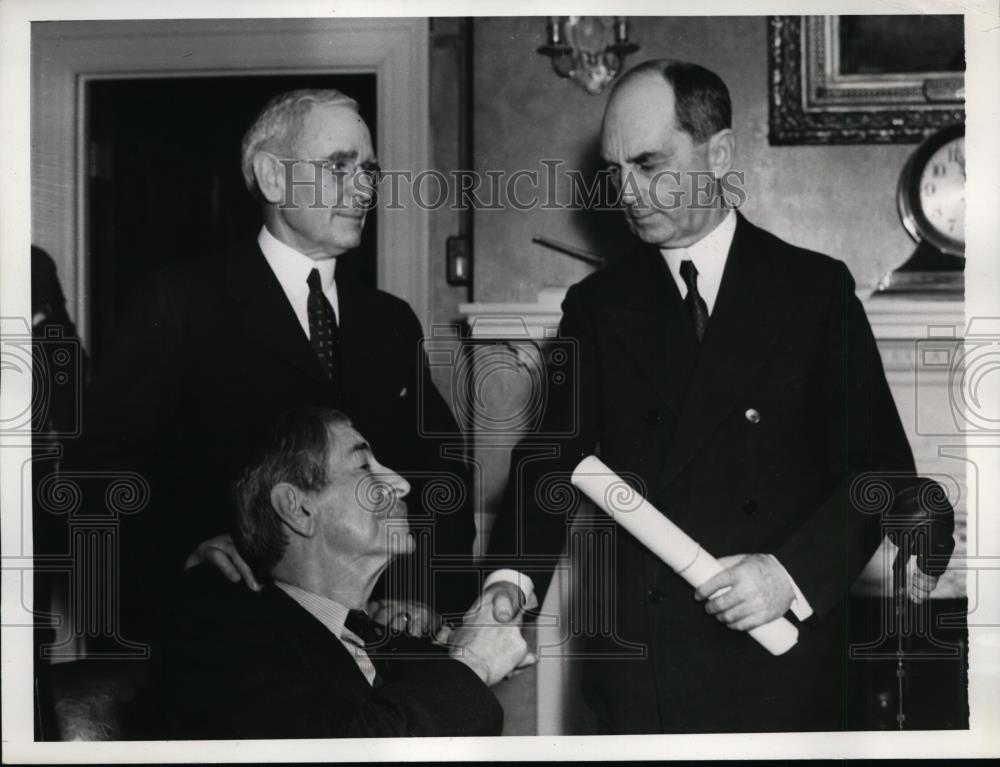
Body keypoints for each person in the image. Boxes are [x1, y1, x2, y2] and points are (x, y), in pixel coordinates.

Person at [477, 60, 953, 733]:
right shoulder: (598, 307)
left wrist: (788, 574)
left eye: (648, 163)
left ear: (719, 152)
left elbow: (877, 471)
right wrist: (508, 584)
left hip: (785, 667)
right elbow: (549, 461)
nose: (628, 192)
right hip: (644, 678)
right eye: (615, 172)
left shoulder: (812, 292)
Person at [64, 89, 473, 644]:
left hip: (374, 642)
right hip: (230, 636)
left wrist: (422, 594)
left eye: (369, 170)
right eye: (338, 166)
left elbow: (440, 470)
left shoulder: (390, 322)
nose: (363, 189)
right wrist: (181, 553)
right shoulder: (178, 304)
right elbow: (96, 475)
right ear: (272, 178)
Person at [160, 407, 530, 738]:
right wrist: (473, 663)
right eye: (365, 466)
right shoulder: (224, 631)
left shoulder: (388, 635)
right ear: (298, 509)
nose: (401, 485)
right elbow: (345, 749)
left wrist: (457, 644)